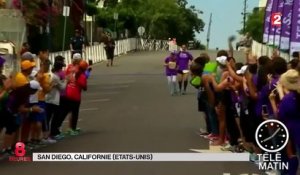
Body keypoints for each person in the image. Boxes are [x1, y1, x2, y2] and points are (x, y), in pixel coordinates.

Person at [276, 70, 300, 175]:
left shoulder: (288, 99)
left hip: (294, 132)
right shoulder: (293, 97)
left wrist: (281, 93)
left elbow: (280, 115)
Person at [60, 60, 88, 135]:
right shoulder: (82, 76)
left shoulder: (72, 71)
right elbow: (85, 87)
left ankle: (57, 128)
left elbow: (67, 77)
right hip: (75, 96)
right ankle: (72, 128)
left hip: (68, 92)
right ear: (84, 69)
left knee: (64, 112)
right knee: (75, 113)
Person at [46, 57, 66, 140]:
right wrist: (66, 80)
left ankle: (48, 133)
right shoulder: (56, 77)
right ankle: (53, 133)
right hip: (54, 99)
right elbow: (62, 87)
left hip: (48, 98)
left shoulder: (50, 75)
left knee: (48, 117)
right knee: (56, 116)